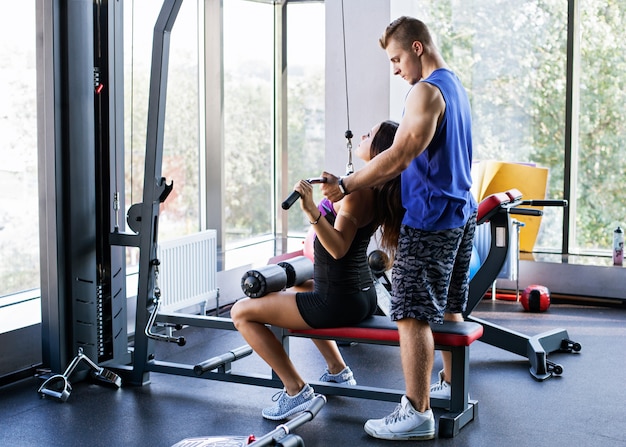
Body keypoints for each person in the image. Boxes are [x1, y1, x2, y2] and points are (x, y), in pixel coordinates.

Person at [321, 16, 478, 441]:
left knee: (410, 314)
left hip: (432, 219)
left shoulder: (425, 91)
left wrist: (348, 185)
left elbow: (403, 153)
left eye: (395, 59)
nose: (394, 69)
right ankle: (444, 384)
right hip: (463, 211)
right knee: (446, 306)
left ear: (416, 48)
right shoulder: (454, 85)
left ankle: (417, 410)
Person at [230, 120, 403, 421]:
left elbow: (338, 248)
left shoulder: (357, 193)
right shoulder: (371, 188)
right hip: (363, 296)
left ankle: (296, 390)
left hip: (337, 302)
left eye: (370, 134)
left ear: (380, 150)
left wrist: (311, 210)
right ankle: (338, 370)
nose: (363, 134)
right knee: (301, 287)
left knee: (241, 312)